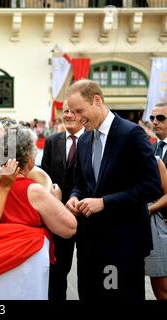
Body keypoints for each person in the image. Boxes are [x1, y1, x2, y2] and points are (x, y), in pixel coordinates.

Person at [65, 79, 161, 300]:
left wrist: (105, 202)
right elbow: (80, 182)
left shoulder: (132, 134)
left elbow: (151, 187)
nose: (76, 118)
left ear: (97, 101)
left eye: (80, 111)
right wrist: (74, 197)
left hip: (122, 245)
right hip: (90, 244)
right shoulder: (85, 138)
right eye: (71, 112)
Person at [0, 126, 77, 299]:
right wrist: (56, 200)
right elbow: (69, 228)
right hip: (27, 266)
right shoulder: (34, 190)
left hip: (1, 264)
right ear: (28, 158)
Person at [42, 103, 84, 301]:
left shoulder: (94, 140)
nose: (68, 115)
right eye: (65, 111)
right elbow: (45, 176)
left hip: (87, 213)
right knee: (58, 270)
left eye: (73, 111)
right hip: (58, 215)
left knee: (88, 271)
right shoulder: (52, 141)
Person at [145, 102, 167, 299]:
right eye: (152, 118)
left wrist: (149, 209)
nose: (155, 122)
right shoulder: (151, 148)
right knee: (159, 286)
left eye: (161, 118)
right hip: (157, 227)